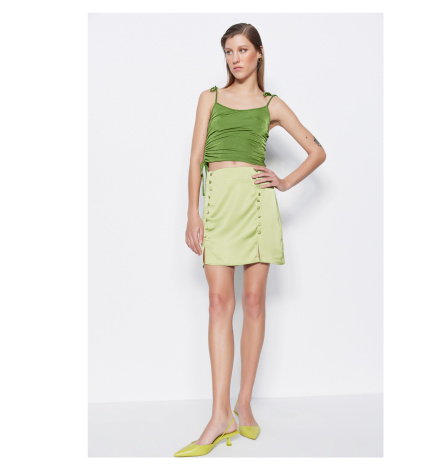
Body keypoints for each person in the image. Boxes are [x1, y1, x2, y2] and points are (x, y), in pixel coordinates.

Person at [174, 23, 326, 458]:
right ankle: (219, 414)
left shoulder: (271, 104)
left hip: (258, 205)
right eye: (228, 51)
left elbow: (317, 151)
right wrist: (193, 211)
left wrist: (285, 181)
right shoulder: (209, 98)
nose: (234, 58)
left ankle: (244, 403)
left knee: (254, 303)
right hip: (219, 204)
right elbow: (195, 158)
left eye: (242, 49)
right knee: (219, 303)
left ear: (259, 53)